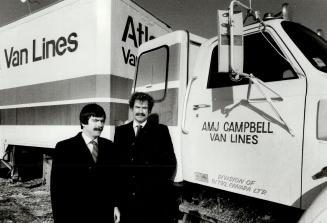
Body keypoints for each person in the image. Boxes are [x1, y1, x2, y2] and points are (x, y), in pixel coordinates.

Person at [50, 103, 120, 223]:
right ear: (83, 122)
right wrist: (60, 218)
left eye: (102, 121)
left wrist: (115, 206)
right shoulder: (64, 148)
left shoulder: (109, 146)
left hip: (104, 213)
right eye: (95, 120)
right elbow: (57, 188)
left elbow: (114, 181)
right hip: (75, 214)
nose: (100, 125)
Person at [114, 92, 177, 223]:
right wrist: (117, 202)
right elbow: (117, 167)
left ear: (149, 110)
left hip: (151, 200)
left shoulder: (161, 131)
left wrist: (156, 188)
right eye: (137, 107)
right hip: (127, 201)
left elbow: (170, 163)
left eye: (144, 108)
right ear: (131, 109)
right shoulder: (121, 132)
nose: (140, 111)